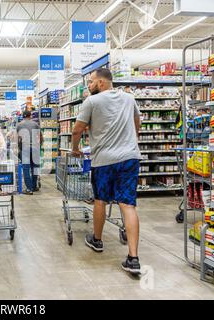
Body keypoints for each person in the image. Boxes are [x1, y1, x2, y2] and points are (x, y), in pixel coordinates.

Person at [71, 68, 142, 275]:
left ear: (101, 83)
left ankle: (98, 240)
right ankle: (133, 258)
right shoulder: (129, 99)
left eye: (91, 82)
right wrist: (131, 141)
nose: (89, 85)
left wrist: (75, 149)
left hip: (103, 161)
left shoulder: (91, 102)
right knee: (128, 205)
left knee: (101, 200)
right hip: (130, 158)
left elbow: (77, 129)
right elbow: (138, 122)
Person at [17, 110, 42, 195]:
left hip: (25, 148)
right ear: (30, 116)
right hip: (35, 148)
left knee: (26, 169)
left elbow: (18, 138)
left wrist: (19, 148)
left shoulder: (19, 125)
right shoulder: (35, 124)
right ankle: (34, 186)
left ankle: (29, 189)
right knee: (35, 168)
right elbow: (40, 137)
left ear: (23, 116)